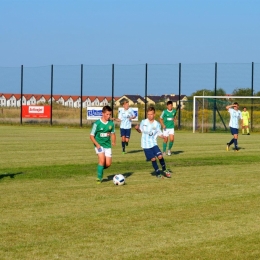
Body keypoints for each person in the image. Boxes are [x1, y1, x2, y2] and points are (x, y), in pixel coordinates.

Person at [135, 106, 172, 178]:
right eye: (148, 114)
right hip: (145, 145)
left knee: (160, 156)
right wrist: (137, 129)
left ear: (154, 114)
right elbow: (140, 131)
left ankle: (164, 170)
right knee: (153, 158)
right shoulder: (143, 122)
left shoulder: (157, 124)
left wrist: (163, 137)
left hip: (153, 144)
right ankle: (158, 173)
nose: (149, 116)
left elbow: (159, 133)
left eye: (151, 114)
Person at [90, 105, 116, 184]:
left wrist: (113, 141)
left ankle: (100, 168)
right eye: (107, 114)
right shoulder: (97, 123)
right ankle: (99, 178)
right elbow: (91, 136)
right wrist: (97, 145)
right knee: (102, 160)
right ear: (103, 113)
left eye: (110, 114)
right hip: (99, 144)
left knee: (108, 164)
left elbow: (113, 134)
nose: (108, 116)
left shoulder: (111, 124)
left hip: (107, 145)